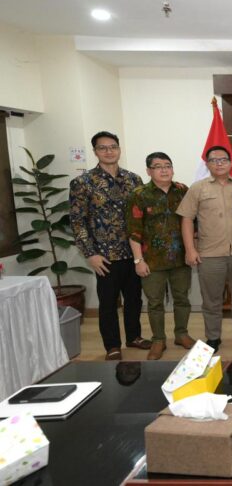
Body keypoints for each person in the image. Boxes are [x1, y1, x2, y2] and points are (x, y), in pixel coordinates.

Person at [70, 131, 150, 361]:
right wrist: (90, 254)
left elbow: (142, 216)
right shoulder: (82, 183)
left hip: (133, 252)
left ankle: (134, 337)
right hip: (104, 256)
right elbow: (77, 221)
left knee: (134, 299)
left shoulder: (133, 180)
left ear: (119, 149)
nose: (109, 151)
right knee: (108, 303)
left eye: (113, 146)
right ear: (95, 151)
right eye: (103, 147)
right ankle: (112, 345)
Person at [176, 145, 232, 352]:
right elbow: (186, 219)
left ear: (230, 163)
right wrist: (190, 249)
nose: (219, 163)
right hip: (210, 253)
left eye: (223, 160)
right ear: (208, 164)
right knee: (212, 299)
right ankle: (213, 336)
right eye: (214, 160)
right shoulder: (198, 188)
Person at [126, 152, 195, 360]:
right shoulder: (139, 194)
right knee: (155, 302)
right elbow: (133, 231)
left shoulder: (182, 190)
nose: (164, 170)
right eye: (158, 166)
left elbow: (192, 222)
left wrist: (192, 249)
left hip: (180, 258)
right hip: (152, 260)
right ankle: (158, 340)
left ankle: (181, 334)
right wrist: (138, 260)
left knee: (182, 298)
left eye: (167, 165)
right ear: (149, 171)